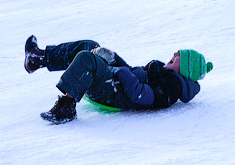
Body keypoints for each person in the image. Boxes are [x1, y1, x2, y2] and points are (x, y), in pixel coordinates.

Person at [24, 35, 211, 124]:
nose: (174, 54)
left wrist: (119, 70)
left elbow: (142, 96)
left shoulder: (172, 86)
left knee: (87, 58)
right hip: (116, 84)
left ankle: (67, 106)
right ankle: (38, 58)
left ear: (186, 68)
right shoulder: (166, 74)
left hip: (114, 94)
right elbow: (132, 74)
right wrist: (114, 59)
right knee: (90, 46)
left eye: (178, 55)